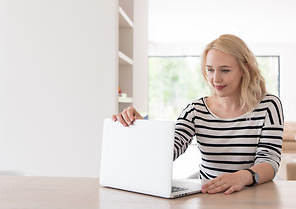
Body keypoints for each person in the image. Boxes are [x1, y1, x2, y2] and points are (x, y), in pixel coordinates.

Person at [112, 34, 284, 195]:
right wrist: (144, 128)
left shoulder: (268, 106)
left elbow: (269, 161)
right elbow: (170, 149)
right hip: (210, 196)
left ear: (243, 69)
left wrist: (242, 176)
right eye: (210, 70)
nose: (215, 79)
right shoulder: (196, 110)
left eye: (225, 70)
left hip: (253, 196)